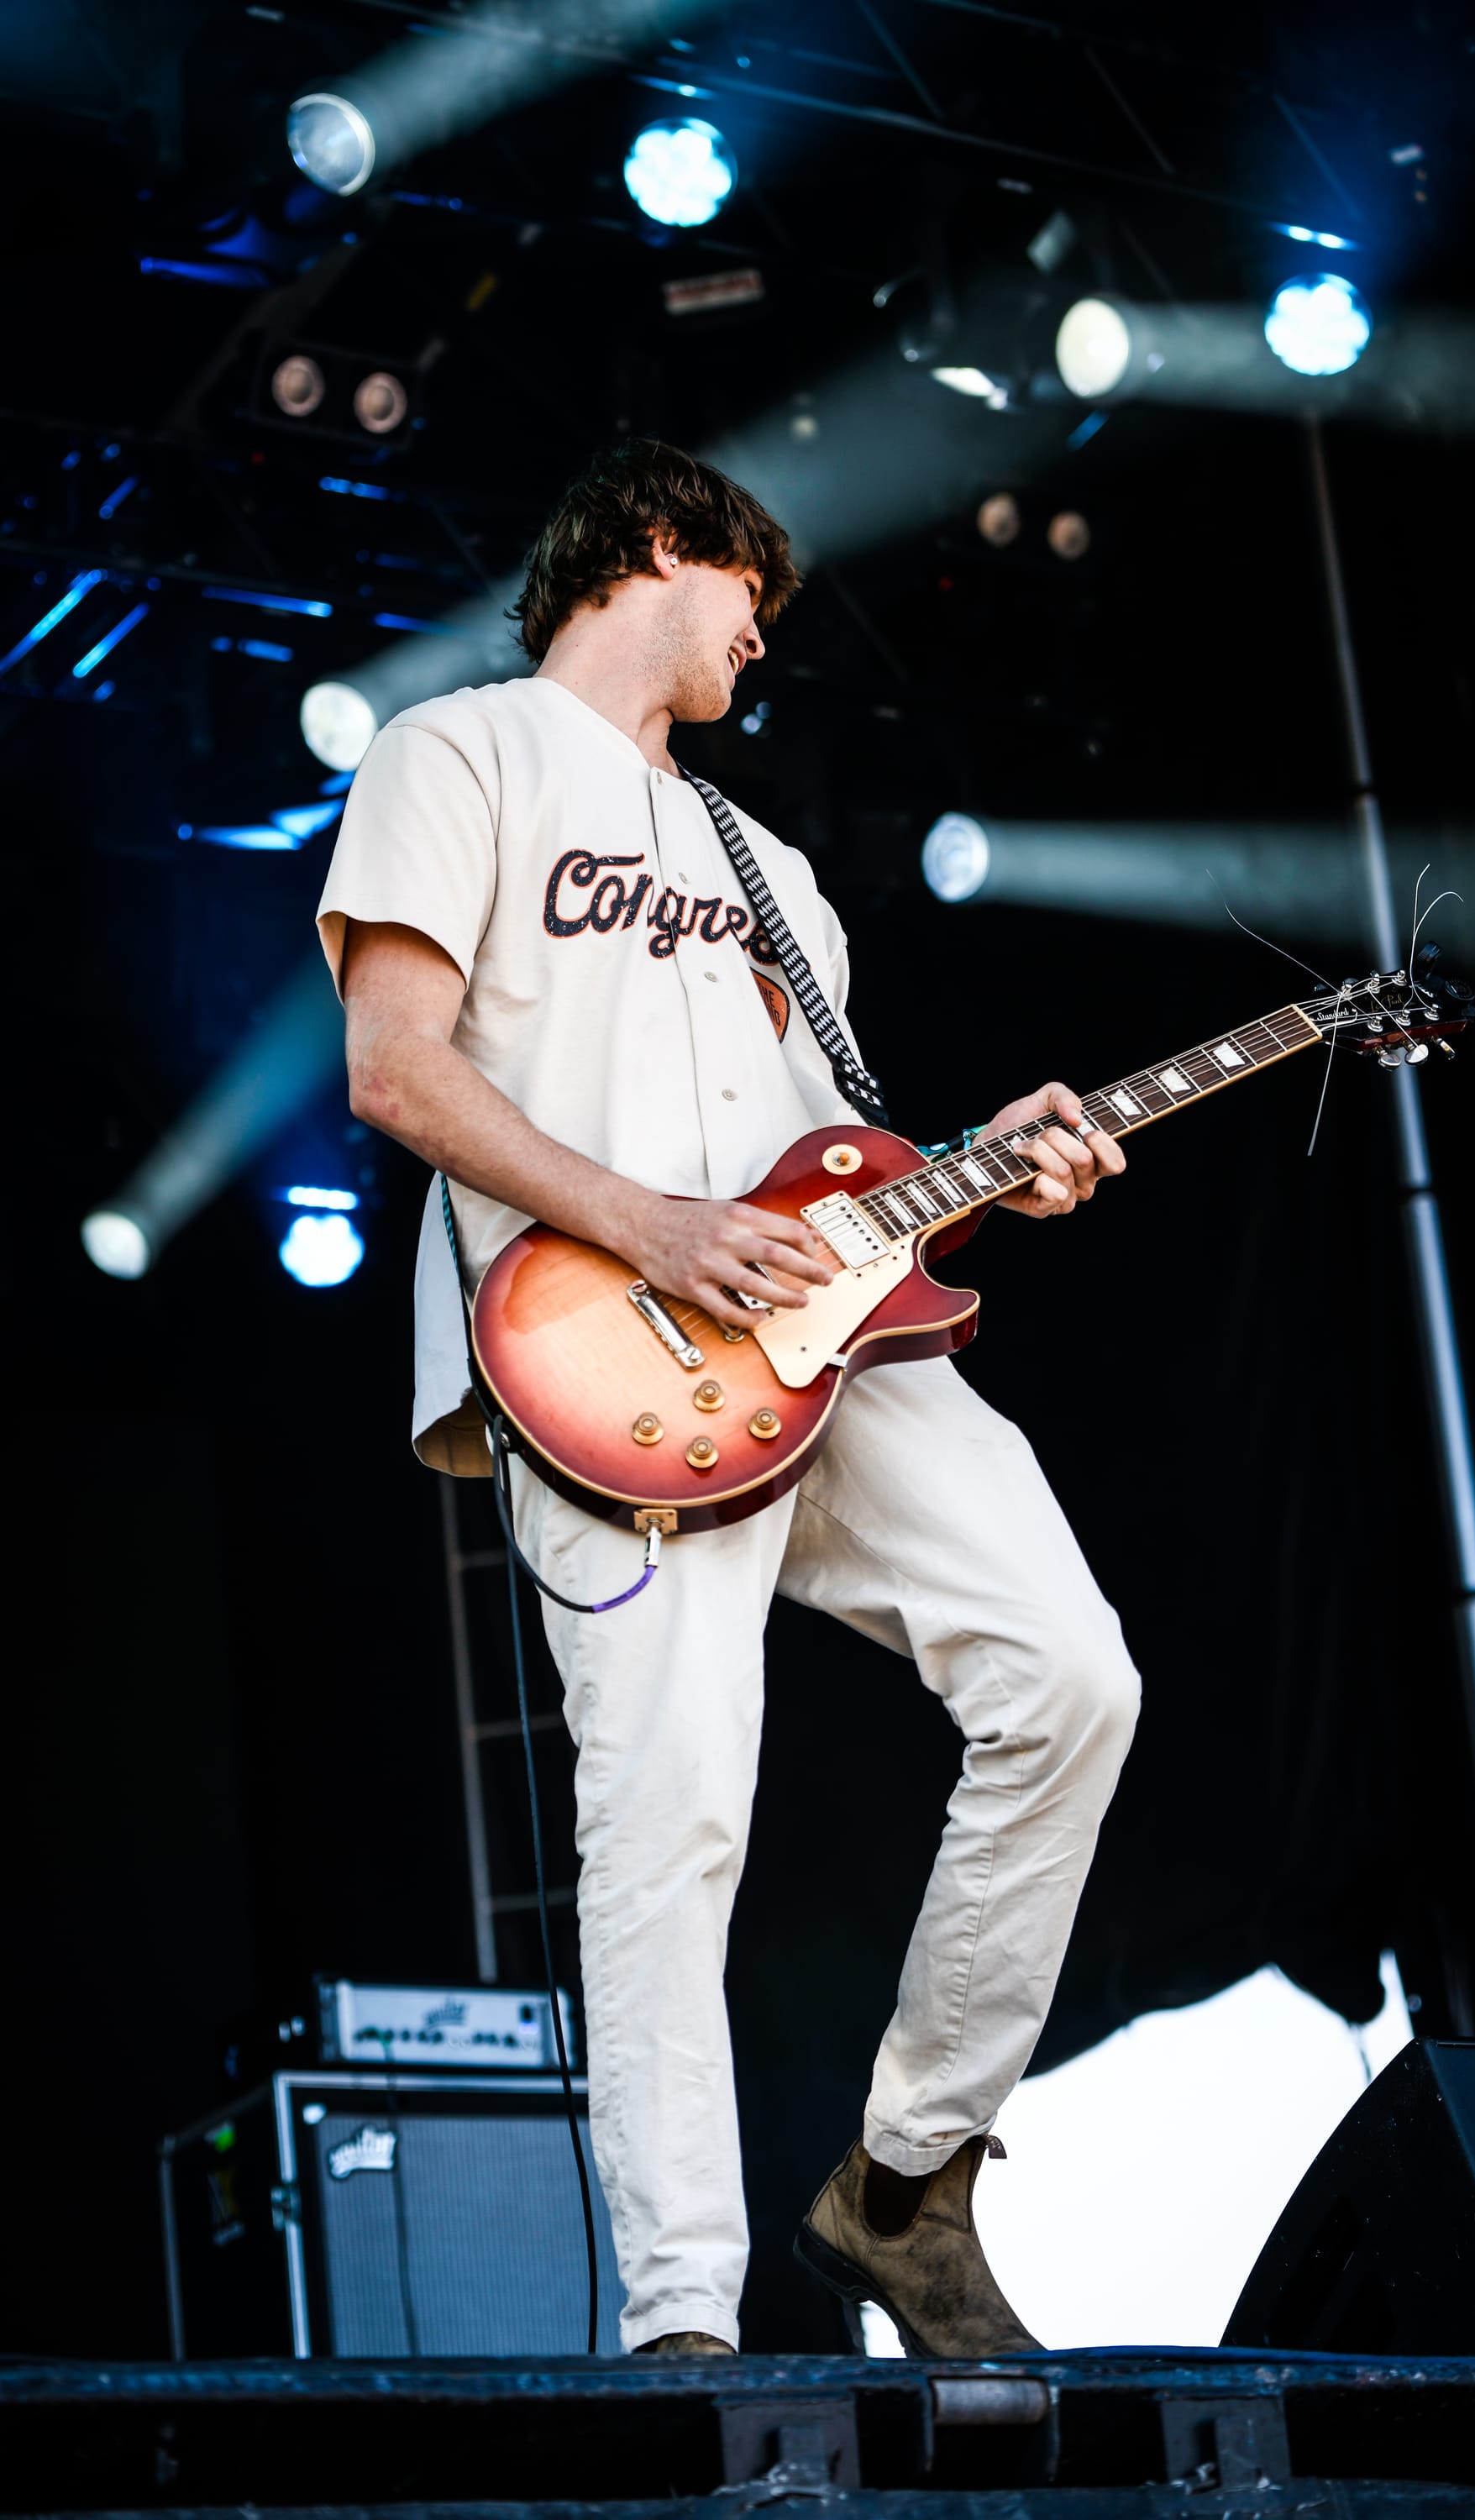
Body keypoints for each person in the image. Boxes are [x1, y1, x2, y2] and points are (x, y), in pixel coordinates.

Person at [317, 440, 1141, 2359]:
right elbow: (394, 1070)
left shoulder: (777, 875)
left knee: (1073, 1674)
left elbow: (831, 1166)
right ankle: (683, 2325)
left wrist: (987, 1168)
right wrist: (650, 1227)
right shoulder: (460, 754)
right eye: (749, 595)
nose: (763, 639)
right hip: (610, 1364)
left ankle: (908, 2180)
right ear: (658, 546)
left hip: (829, 1350)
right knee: (671, 1819)